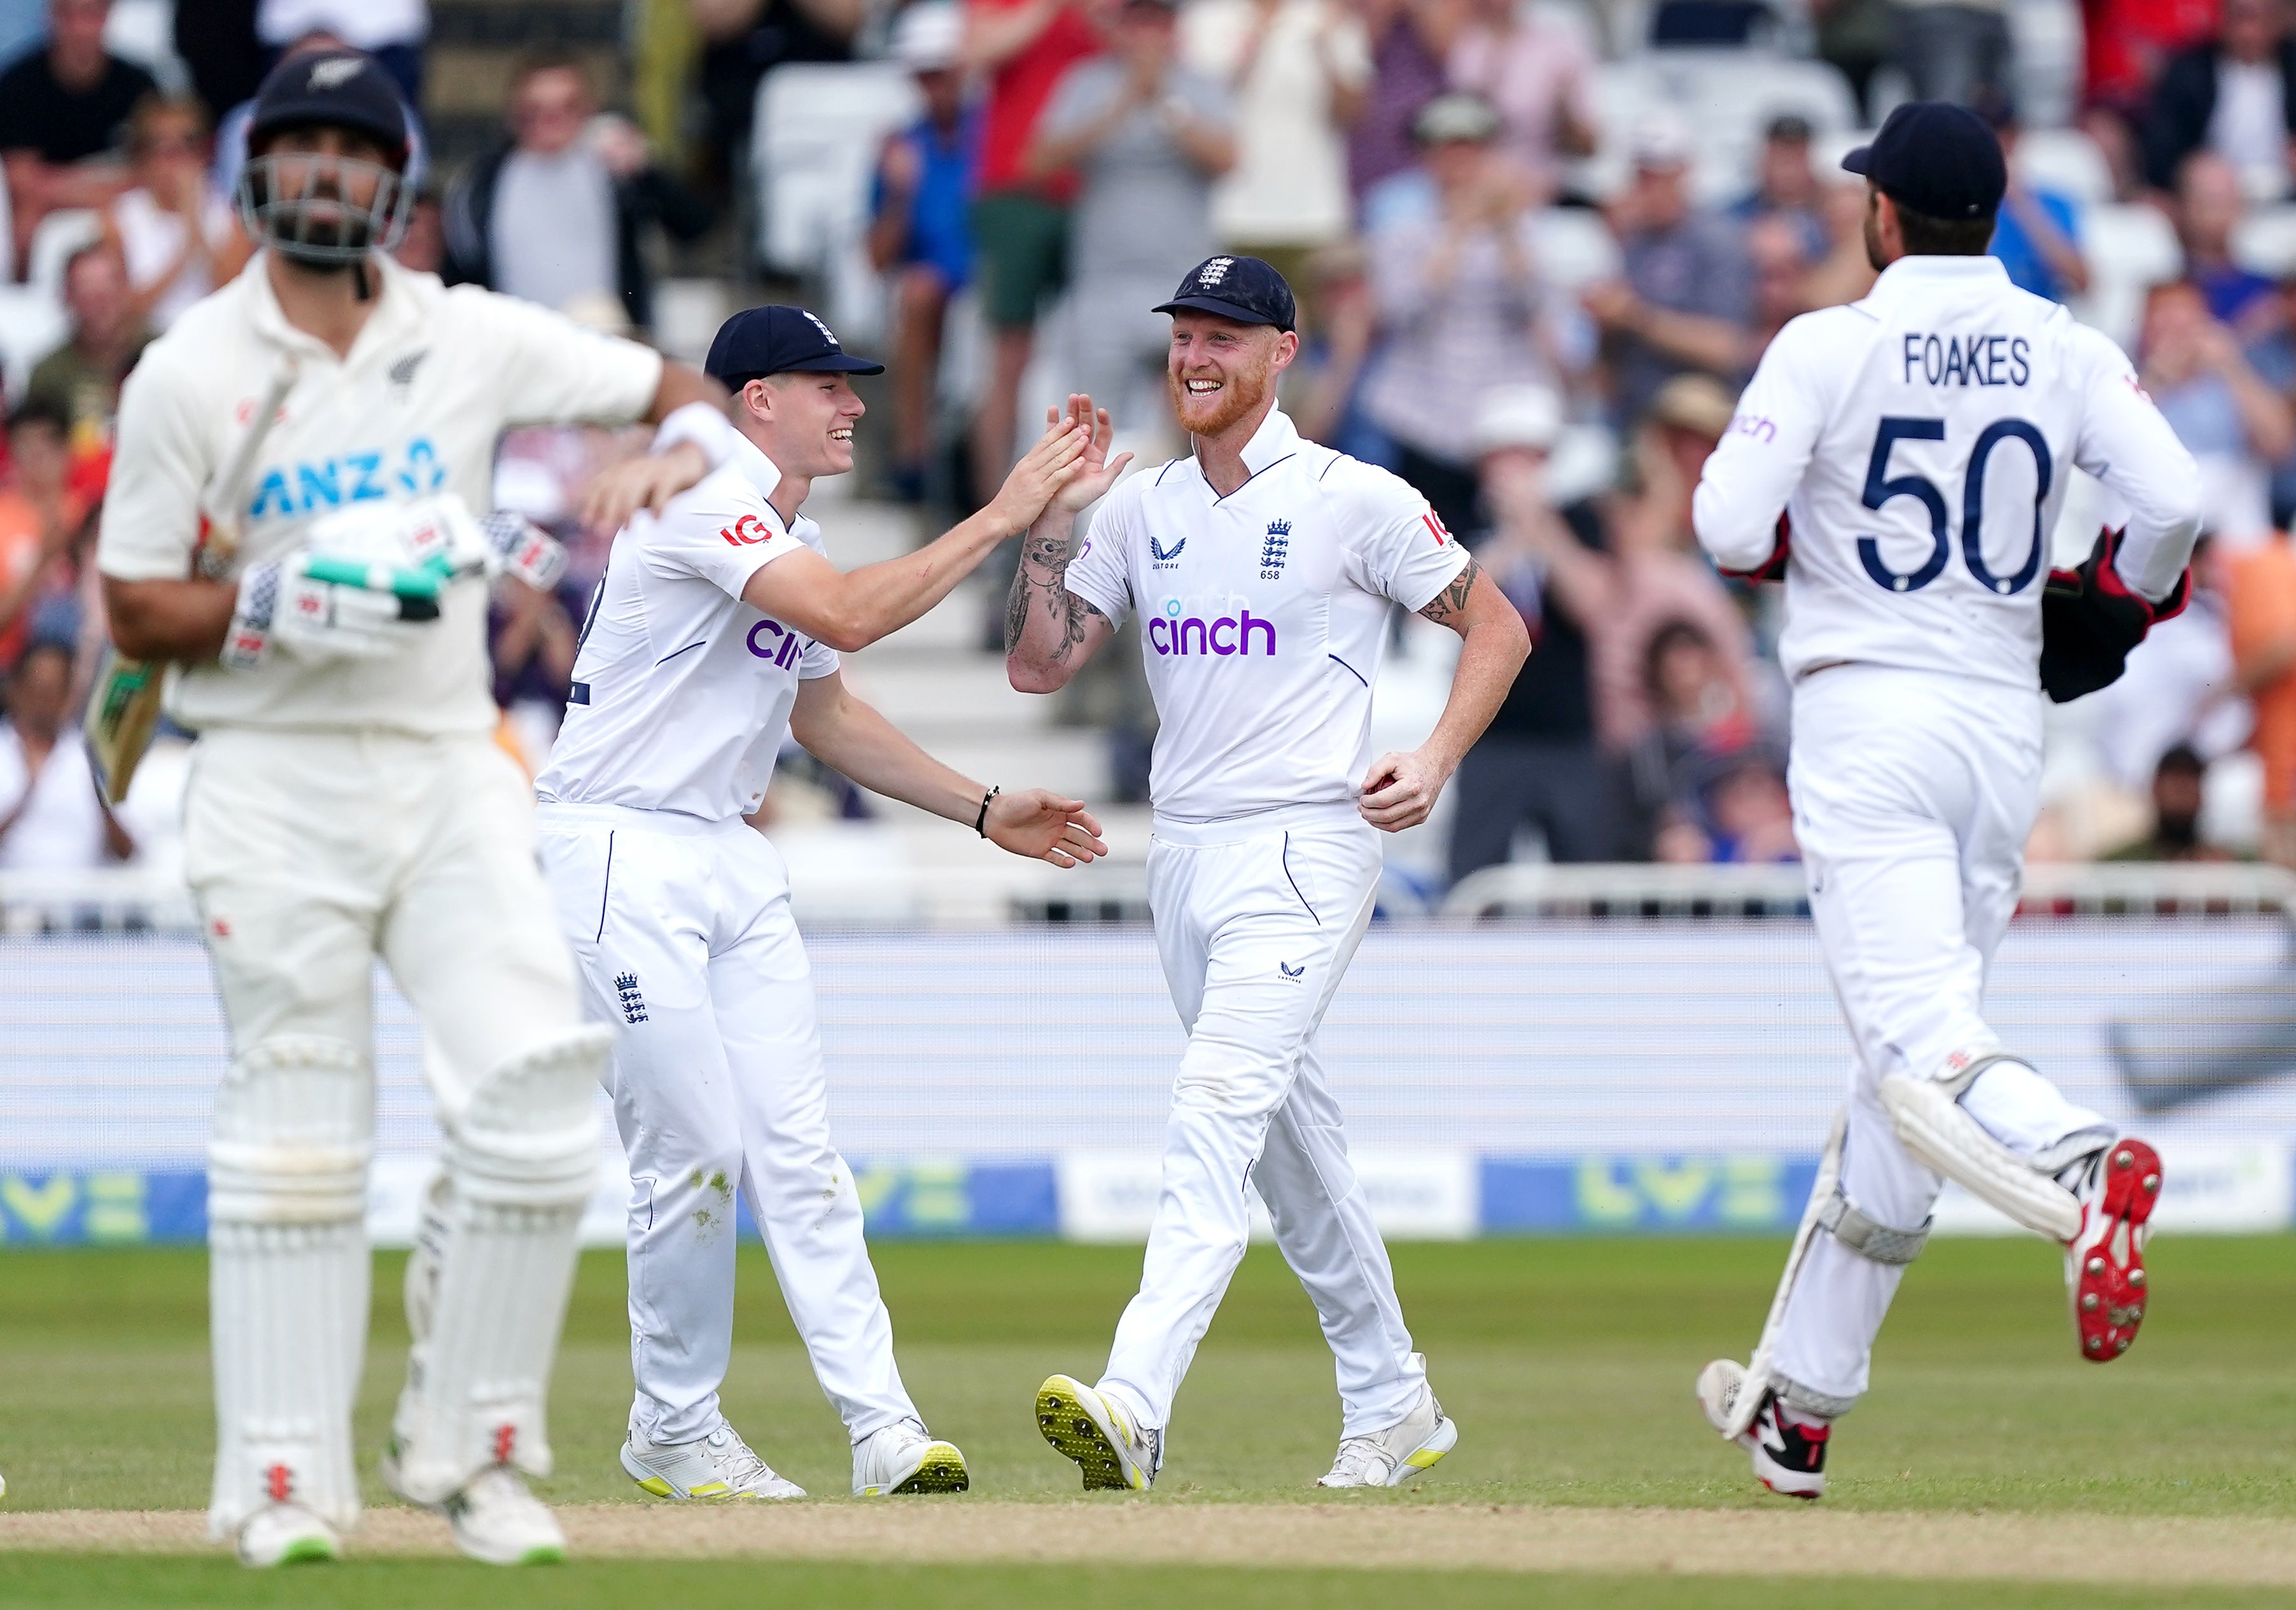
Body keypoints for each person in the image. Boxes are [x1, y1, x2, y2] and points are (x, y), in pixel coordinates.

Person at [94, 49, 731, 1568]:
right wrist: (270, 602)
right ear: (259, 175)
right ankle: (279, 1481)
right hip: (268, 771)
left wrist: (671, 449)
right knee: (299, 1126)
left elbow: (690, 388)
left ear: (395, 185)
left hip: (445, 763)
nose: (320, 173)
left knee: (534, 1091)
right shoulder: (188, 368)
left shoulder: (470, 336)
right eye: (295, 147)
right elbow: (130, 608)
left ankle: (476, 1450)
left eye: (348, 149)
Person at [1690, 102, 2199, 1499]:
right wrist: (2113, 602)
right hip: (1998, 720)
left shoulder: (1830, 340)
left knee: (1918, 1043)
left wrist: (1825, 537)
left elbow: (1730, 527)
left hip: (1869, 710)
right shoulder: (2064, 344)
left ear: (1883, 213)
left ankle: (2081, 1162)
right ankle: (1800, 1405)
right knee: (1894, 1076)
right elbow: (2171, 498)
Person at [533, 305, 1099, 1504]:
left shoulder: (792, 524)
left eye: (851, 386)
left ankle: (882, 1429)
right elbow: (844, 614)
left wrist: (980, 806)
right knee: (694, 1150)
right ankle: (673, 1429)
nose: (850, 405)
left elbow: (821, 707)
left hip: (726, 855)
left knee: (799, 1157)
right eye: (824, 384)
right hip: (617, 849)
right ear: (753, 400)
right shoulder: (700, 493)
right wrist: (1001, 516)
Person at [1005, 255, 1529, 1491]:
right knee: (1290, 1150)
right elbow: (1038, 664)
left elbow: (1498, 623)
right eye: (1183, 334)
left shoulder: (1356, 498)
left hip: (1307, 839)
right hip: (1182, 849)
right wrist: (1047, 517)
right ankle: (1393, 1396)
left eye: (1223, 338)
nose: (1195, 356)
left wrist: (1436, 756)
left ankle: (1134, 1396)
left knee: (1212, 1110)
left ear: (1281, 352)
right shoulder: (1138, 509)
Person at [1361, 92, 1570, 538]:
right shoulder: (1403, 233)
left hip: (1504, 417)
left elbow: (1536, 304)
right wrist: (1459, 228)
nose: (1460, 163)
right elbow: (1401, 311)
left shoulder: (1524, 231)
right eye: (1447, 150)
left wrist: (1507, 228)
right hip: (1426, 416)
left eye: (1471, 149)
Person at [1030, 0, 1236, 437]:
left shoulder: (1201, 85)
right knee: (1089, 429)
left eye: (1158, 22)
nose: (1147, 34)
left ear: (1173, 29)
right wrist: (1123, 102)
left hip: (1183, 288)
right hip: (1102, 287)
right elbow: (1039, 161)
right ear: (1120, 27)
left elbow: (1228, 159)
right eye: (1137, 21)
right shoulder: (1085, 82)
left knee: (1198, 428)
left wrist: (1162, 100)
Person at [1447, 383, 1623, 876]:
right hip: (1488, 731)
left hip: (1570, 734)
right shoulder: (1460, 518)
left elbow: (1595, 605)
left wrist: (1540, 527)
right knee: (1473, 881)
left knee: (1585, 882)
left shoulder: (1579, 519)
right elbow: (1446, 608)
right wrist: (1509, 538)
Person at [441, 49, 714, 333]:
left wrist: (646, 170)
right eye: (535, 112)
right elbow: (461, 270)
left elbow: (696, 226)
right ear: (513, 114)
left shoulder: (612, 169)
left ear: (588, 109)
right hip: (518, 345)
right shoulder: (481, 184)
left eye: (566, 108)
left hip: (608, 343)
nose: (550, 122)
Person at [963, 0, 1100, 501]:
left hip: (1092, 194)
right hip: (1015, 189)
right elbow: (977, 49)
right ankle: (993, 514)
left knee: (1097, 349)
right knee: (1007, 360)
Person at [867, 1, 979, 503]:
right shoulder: (900, 146)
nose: (935, 85)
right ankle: (914, 456)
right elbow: (876, 258)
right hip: (939, 288)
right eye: (925, 75)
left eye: (943, 73)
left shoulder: (996, 132)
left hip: (994, 281)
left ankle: (944, 460)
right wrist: (897, 193)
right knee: (916, 293)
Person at [1182, 0, 1368, 294]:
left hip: (1314, 210)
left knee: (1308, 330)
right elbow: (1204, 105)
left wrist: (1327, 50)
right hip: (1232, 212)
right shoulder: (1209, 18)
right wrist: (1255, 43)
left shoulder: (1329, 17)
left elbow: (1352, 115)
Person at [1585, 113, 1753, 432]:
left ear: (1683, 175)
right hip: (1635, 410)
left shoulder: (1716, 240)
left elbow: (1726, 347)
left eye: (1659, 177)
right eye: (1643, 176)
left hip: (1696, 417)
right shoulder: (1634, 239)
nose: (1649, 188)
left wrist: (1636, 316)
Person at [0, 0, 156, 269]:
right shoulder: (18, 85)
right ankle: (21, 296)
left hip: (121, 203)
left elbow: (157, 168)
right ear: (51, 17)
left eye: (92, 14)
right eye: (70, 15)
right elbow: (21, 179)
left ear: (108, 15)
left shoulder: (139, 85)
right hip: (51, 206)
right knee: (26, 215)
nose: (81, 29)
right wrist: (98, 189)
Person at [101, 94, 255, 335]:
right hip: (144, 343)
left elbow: (235, 298)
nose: (173, 161)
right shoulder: (119, 218)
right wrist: (185, 252)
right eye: (161, 148)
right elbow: (121, 311)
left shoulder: (230, 217)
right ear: (143, 157)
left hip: (213, 340)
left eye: (186, 147)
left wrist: (192, 220)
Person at [1443, 0, 1595, 204]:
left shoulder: (1558, 44)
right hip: (1472, 191)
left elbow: (1589, 148)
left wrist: (1563, 113)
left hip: (1544, 189)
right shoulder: (1464, 44)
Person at [2140, 0, 2296, 197]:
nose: (2250, 32)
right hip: (2212, 194)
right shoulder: (2189, 71)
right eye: (2241, 17)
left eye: (2261, 18)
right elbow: (2164, 150)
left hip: (2284, 190)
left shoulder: (2291, 67)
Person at [0, 638, 130, 868]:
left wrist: (100, 798)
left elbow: (128, 853)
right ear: (16, 690)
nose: (45, 703)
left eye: (55, 691)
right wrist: (27, 793)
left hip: (82, 899)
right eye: (38, 690)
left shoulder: (89, 756)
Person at [24, 242, 148, 447]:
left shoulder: (162, 354)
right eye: (87, 294)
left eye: (106, 293)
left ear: (127, 290)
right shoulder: (48, 375)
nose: (100, 306)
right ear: (66, 297)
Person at [1985, 104, 2089, 304]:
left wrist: (2023, 205)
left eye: (2002, 135)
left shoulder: (2054, 203)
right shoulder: (1956, 202)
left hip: (2034, 321)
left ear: (2015, 138)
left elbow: (2081, 281)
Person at [1729, 113, 1829, 263]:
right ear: (1763, 159)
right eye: (1781, 157)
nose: (1788, 169)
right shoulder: (1736, 214)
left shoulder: (1830, 213)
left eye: (1796, 157)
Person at [2101, 743, 2228, 858]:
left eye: (2190, 781)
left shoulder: (2228, 864)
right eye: (2175, 780)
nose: (2182, 790)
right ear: (2155, 789)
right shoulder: (2123, 862)